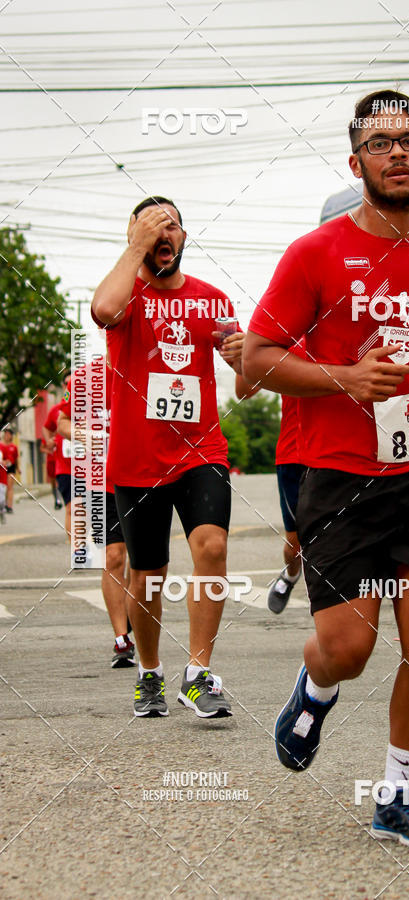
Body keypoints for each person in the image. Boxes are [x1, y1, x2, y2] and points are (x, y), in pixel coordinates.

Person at [243, 90, 409, 848]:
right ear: (356, 163)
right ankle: (315, 689)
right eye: (380, 143)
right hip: (338, 473)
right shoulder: (313, 254)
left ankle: (399, 794)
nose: (397, 153)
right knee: (349, 649)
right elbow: (256, 363)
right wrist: (342, 378)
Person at [92, 195, 250, 720]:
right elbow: (101, 311)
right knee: (148, 574)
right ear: (134, 237)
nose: (164, 234)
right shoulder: (127, 295)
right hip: (137, 457)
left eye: (173, 227)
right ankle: (149, 672)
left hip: (200, 448)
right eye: (150, 228)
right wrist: (135, 246)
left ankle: (199, 673)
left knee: (212, 544)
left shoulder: (211, 298)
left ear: (185, 237)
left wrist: (242, 358)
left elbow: (247, 385)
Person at [57, 361, 135, 668]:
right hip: (101, 482)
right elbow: (63, 421)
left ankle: (136, 621)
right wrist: (81, 433)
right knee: (114, 555)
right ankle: (121, 639)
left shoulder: (145, 367)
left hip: (142, 478)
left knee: (142, 563)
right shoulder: (85, 376)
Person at [267, 340, 306, 614]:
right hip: (293, 456)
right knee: (296, 543)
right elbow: (243, 389)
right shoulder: (286, 344)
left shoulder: (345, 337)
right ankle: (291, 575)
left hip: (335, 453)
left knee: (332, 538)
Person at [43, 376, 72, 538]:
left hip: (90, 467)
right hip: (65, 467)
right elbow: (46, 428)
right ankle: (77, 549)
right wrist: (49, 441)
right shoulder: (56, 410)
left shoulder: (92, 406)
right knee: (72, 508)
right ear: (63, 386)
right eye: (67, 383)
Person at [1, 429, 19, 513]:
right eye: (6, 434)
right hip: (1, 468)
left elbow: (16, 459)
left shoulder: (14, 447)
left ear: (11, 436)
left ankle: (9, 506)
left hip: (11, 468)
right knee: (3, 487)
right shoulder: (1, 445)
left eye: (8, 434)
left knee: (10, 486)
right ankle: (3, 504)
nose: (7, 436)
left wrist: (18, 468)